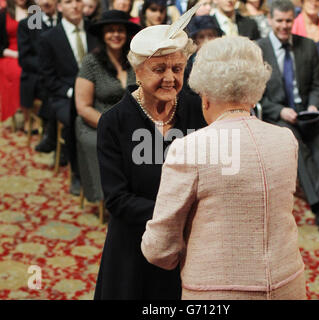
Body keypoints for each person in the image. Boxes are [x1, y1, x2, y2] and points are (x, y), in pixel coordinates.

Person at [141, 36, 306, 300]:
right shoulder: (285, 139)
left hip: (216, 293)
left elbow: (159, 249)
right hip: (289, 284)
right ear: (255, 90)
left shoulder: (189, 148)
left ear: (204, 96)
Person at [93, 4, 206, 299]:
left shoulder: (197, 110)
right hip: (134, 248)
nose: (170, 78)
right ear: (138, 71)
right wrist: (175, 213)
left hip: (188, 247)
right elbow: (117, 200)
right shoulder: (114, 122)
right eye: (159, 69)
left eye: (177, 68)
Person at [257, 0, 319, 232]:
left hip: (306, 113)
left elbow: (317, 85)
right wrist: (279, 110)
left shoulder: (308, 45)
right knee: (295, 143)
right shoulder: (258, 49)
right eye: (279, 21)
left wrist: (315, 106)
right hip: (278, 115)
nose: (284, 26)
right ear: (270, 20)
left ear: (293, 20)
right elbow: (255, 95)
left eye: (288, 21)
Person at [74, 10, 140, 203]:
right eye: (110, 30)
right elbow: (83, 107)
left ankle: (140, 195)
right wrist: (112, 128)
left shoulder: (135, 60)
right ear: (103, 35)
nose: (116, 34)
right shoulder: (91, 62)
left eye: (120, 30)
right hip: (97, 122)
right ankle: (113, 198)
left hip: (132, 121)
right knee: (111, 147)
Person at [38, 0, 97, 195]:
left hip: (97, 91)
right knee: (77, 118)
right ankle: (78, 174)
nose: (75, 6)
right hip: (64, 95)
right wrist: (74, 93)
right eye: (68, 2)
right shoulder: (49, 37)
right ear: (60, 6)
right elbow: (48, 78)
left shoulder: (95, 31)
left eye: (78, 1)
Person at [17, 0, 61, 134]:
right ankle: (50, 129)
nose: (46, 1)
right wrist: (48, 67)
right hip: (39, 73)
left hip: (65, 73)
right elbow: (25, 58)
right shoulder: (29, 23)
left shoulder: (66, 19)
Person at [0, 0, 32, 123]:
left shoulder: (34, 11)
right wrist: (16, 54)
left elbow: (38, 37)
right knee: (21, 73)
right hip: (10, 54)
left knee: (38, 71)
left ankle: (38, 113)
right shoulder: (4, 14)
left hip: (30, 52)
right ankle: (27, 116)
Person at [184, 15, 223, 93]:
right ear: (194, 41)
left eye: (211, 35)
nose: (207, 41)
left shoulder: (227, 62)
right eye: (201, 37)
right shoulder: (187, 67)